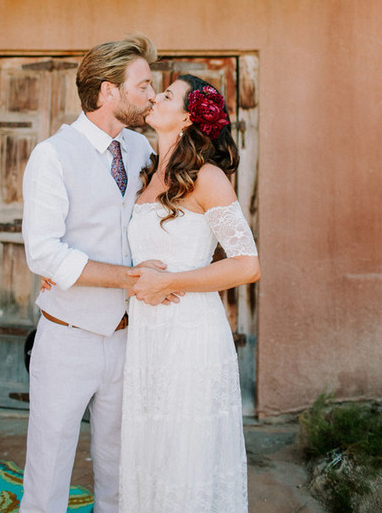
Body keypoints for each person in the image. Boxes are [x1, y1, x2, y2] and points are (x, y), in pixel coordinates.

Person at [20, 34, 176, 513]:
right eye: (144, 86)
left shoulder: (139, 151)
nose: (152, 95)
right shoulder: (52, 156)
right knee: (48, 471)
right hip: (68, 339)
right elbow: (44, 253)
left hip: (131, 339)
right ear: (109, 92)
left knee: (119, 469)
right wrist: (128, 278)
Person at [119, 74, 261, 513]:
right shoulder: (145, 174)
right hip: (146, 337)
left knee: (186, 455)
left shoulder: (207, 177)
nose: (154, 97)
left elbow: (247, 264)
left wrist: (170, 282)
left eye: (165, 95)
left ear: (186, 118)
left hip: (191, 335)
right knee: (151, 450)